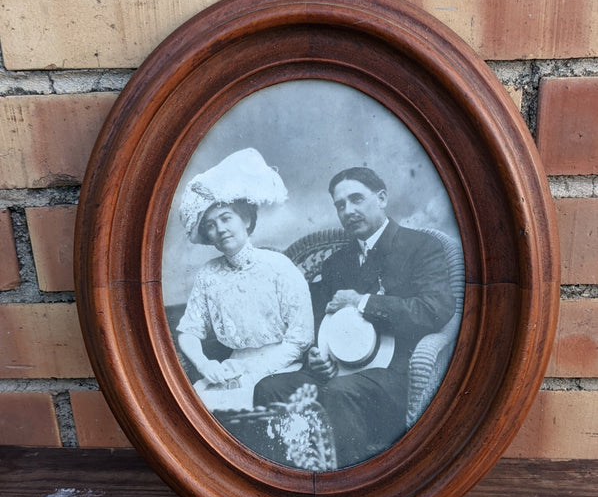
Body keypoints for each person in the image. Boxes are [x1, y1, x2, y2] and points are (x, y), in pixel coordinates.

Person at [254, 166, 455, 468]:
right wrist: (316, 356)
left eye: (357, 199)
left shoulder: (421, 247)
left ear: (382, 198)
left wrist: (364, 302)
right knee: (269, 387)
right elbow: (319, 322)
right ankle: (281, 483)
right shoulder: (337, 262)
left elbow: (435, 310)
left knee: (337, 394)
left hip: (396, 376)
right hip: (340, 371)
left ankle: (348, 492)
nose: (348, 210)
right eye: (340, 205)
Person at [176, 148, 314, 412]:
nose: (220, 229)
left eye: (226, 218)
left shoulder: (278, 266)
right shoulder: (208, 275)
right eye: (211, 225)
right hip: (232, 368)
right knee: (192, 408)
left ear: (246, 219)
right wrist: (205, 365)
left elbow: (300, 339)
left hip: (282, 369)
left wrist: (253, 370)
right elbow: (188, 332)